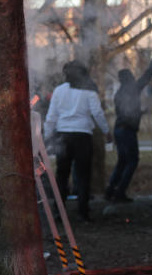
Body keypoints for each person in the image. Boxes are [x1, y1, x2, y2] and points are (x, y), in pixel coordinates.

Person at [44, 60, 111, 222]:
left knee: (62, 174)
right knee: (83, 174)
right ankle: (83, 211)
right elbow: (97, 113)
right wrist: (106, 131)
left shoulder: (59, 91)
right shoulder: (89, 91)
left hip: (63, 136)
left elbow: (51, 116)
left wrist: (46, 136)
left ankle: (59, 212)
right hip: (82, 136)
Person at [105, 50, 152, 202]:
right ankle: (120, 192)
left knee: (122, 161)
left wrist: (140, 112)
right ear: (129, 78)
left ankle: (110, 190)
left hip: (119, 129)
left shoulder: (119, 93)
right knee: (132, 161)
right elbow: (148, 74)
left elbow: (125, 113)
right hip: (127, 131)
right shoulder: (133, 89)